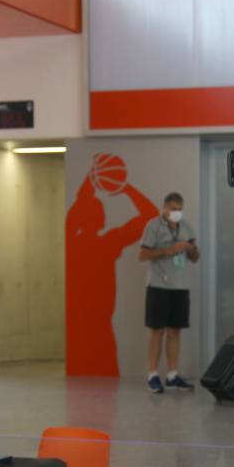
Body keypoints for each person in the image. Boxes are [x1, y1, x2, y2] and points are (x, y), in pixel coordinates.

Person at [65, 160, 159, 376]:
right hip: (100, 334)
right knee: (106, 389)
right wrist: (125, 187)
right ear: (101, 219)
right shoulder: (107, 244)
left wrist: (91, 178)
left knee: (77, 387)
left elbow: (80, 204)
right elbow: (151, 215)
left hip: (76, 334)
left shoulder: (70, 244)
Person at [138, 192, 200, 393]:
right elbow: (142, 254)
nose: (177, 213)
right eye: (173, 209)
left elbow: (195, 258)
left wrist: (190, 249)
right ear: (164, 209)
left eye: (180, 209)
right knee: (157, 331)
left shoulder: (186, 226)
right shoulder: (153, 226)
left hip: (180, 287)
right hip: (158, 286)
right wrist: (170, 250)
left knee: (175, 331)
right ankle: (152, 375)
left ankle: (172, 375)